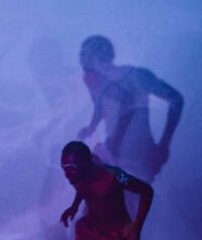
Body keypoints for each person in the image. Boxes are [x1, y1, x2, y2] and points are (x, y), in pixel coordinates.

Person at [76, 35, 183, 182]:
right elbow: (100, 108)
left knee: (132, 192)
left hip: (137, 156)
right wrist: (90, 128)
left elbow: (176, 100)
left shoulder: (138, 76)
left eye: (86, 54)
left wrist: (165, 143)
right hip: (114, 156)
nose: (82, 59)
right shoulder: (99, 84)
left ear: (95, 56)